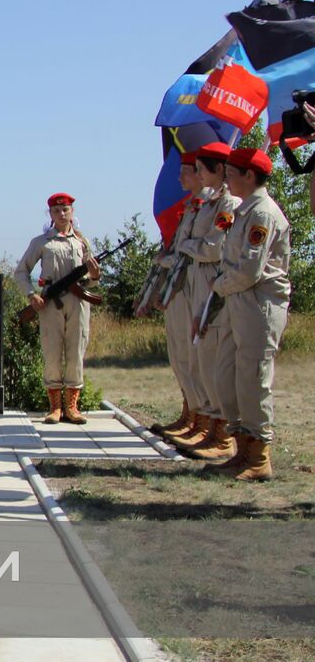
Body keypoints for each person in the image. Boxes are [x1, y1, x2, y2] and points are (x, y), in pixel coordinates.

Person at [203, 148, 289, 481]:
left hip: (259, 303)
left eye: (232, 172)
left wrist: (218, 285)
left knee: (253, 381)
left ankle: (258, 457)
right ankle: (240, 449)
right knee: (228, 378)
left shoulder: (262, 213)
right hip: (239, 301)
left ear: (249, 176)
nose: (226, 178)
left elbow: (251, 270)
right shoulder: (244, 212)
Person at [168, 143, 243, 457]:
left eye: (200, 169)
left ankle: (222, 433)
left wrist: (186, 244)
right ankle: (208, 423)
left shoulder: (227, 203)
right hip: (198, 277)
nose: (196, 175)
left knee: (212, 356)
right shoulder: (205, 203)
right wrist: (188, 245)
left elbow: (213, 248)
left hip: (213, 278)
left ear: (218, 170)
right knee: (199, 356)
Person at [13, 193, 100, 424]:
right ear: (50, 214)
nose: (62, 214)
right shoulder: (41, 242)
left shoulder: (82, 242)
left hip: (78, 302)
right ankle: (55, 408)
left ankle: (72, 407)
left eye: (66, 210)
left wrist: (94, 275)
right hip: (50, 304)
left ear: (72, 212)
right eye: (57, 211)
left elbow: (91, 280)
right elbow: (21, 271)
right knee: (52, 355)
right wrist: (31, 295)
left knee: (75, 354)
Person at [147, 155, 203, 447]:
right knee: (181, 356)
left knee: (198, 360)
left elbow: (207, 249)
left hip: (197, 288)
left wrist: (178, 252)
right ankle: (192, 414)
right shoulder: (191, 209)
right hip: (181, 288)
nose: (179, 179)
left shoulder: (212, 207)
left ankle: (207, 423)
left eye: (185, 172)